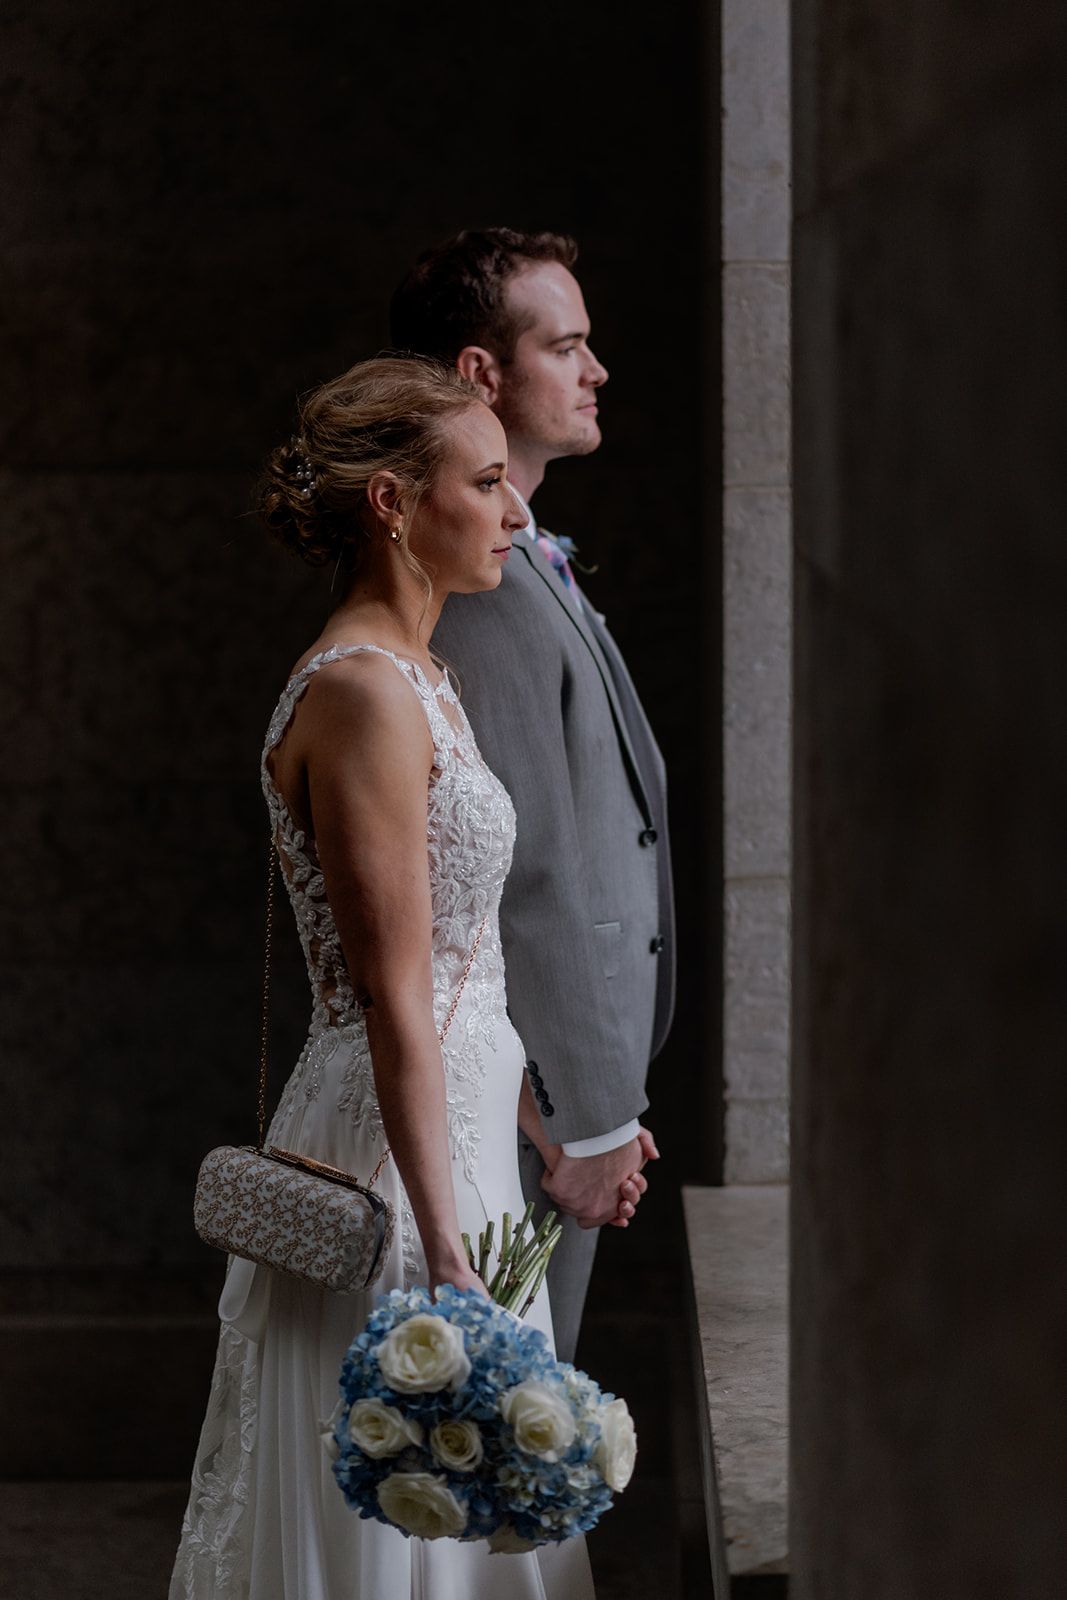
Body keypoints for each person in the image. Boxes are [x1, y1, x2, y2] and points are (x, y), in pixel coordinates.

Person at [168, 356, 636, 1598]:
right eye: (484, 483)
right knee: (401, 1502)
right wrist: (439, 1242)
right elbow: (390, 991)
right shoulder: (367, 693)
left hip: (466, 1140)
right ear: (391, 502)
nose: (515, 510)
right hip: (395, 1157)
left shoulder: (429, 674)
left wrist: (541, 1133)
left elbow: (465, 963)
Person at [390, 229, 675, 1363]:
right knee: (505, 1404)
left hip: (557, 1094)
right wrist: (584, 1122)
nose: (595, 370)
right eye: (565, 346)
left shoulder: (527, 555)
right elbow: (530, 871)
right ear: (479, 373)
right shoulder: (481, 592)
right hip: (532, 1110)